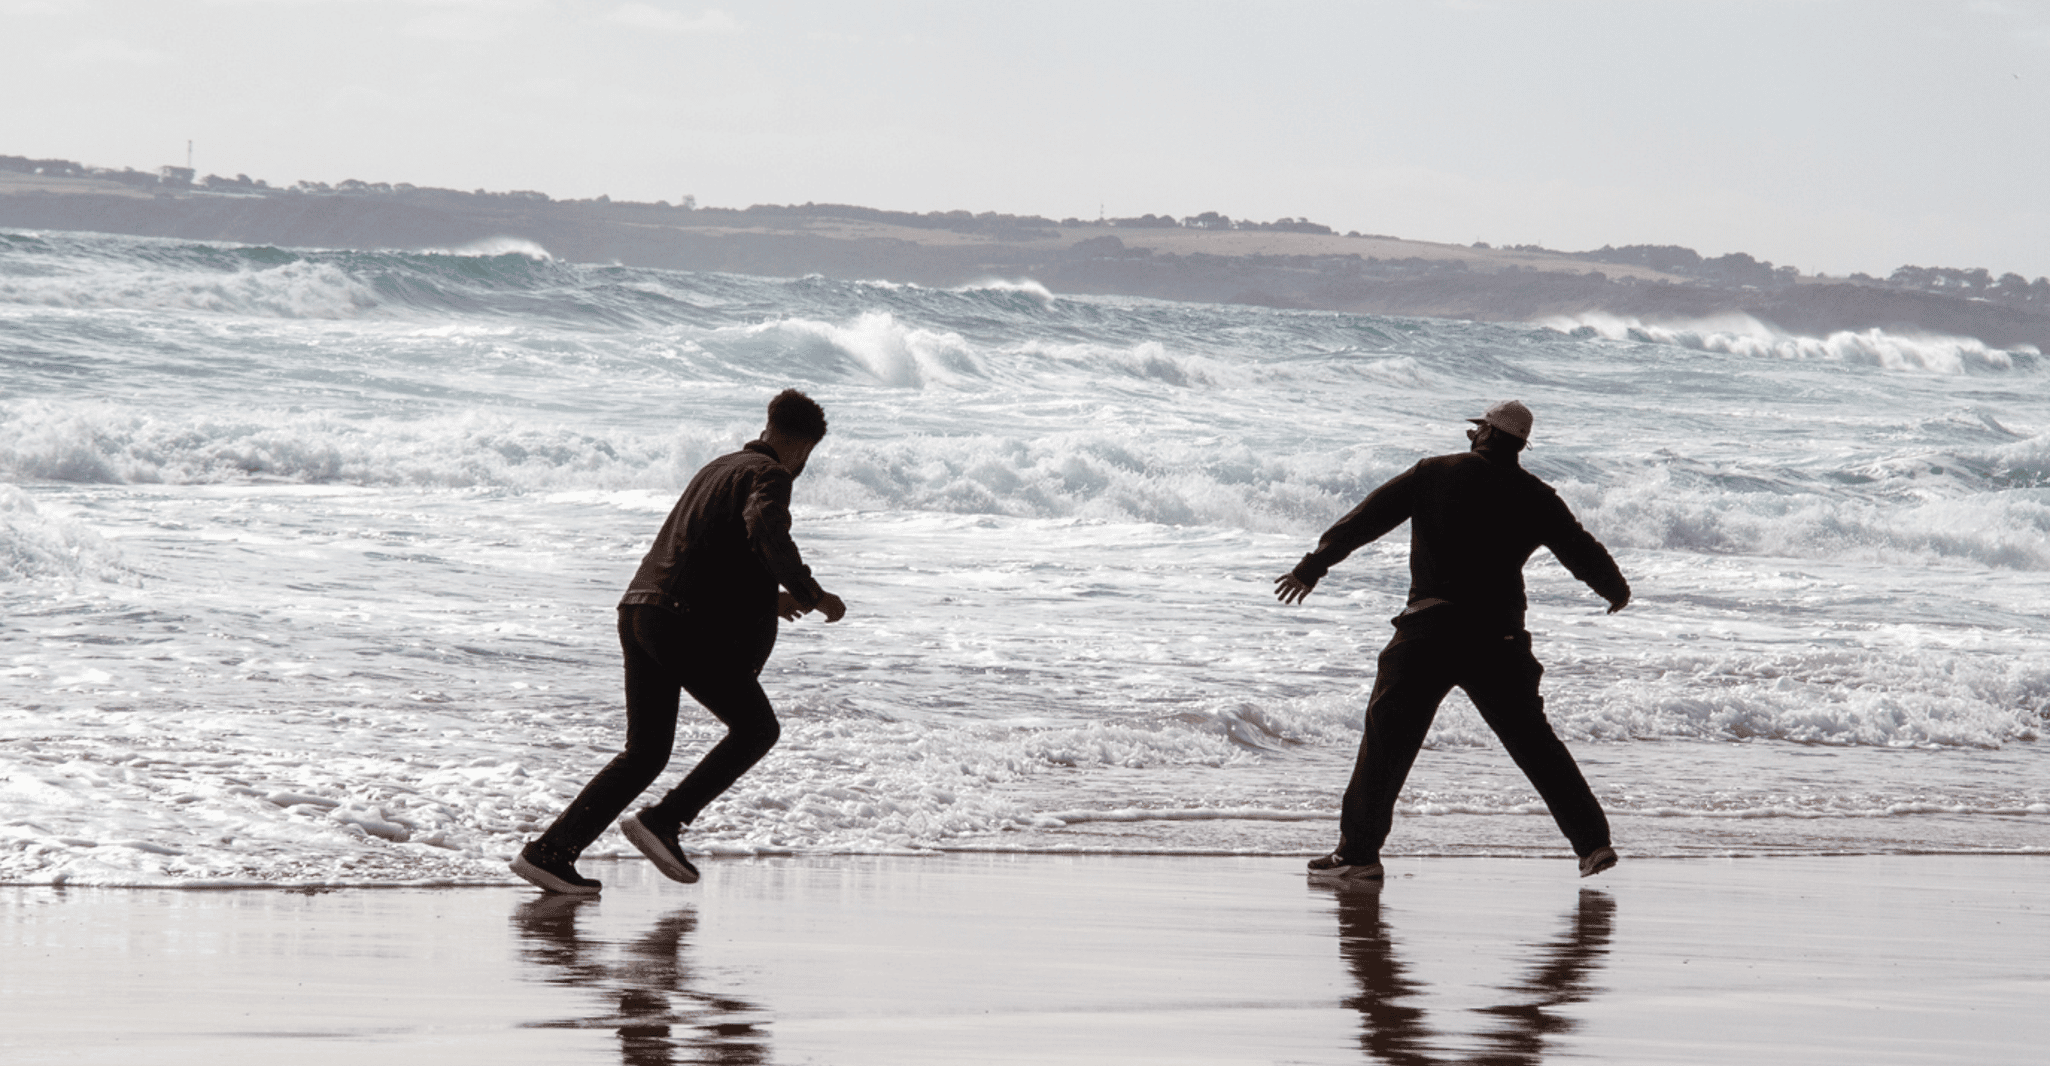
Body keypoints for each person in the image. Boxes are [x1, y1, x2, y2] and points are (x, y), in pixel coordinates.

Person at [1274, 400, 1629, 883]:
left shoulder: (1433, 473)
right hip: (1500, 639)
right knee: (1534, 743)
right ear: (1519, 444)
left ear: (1484, 434)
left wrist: (1311, 567)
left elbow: (1365, 520)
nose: (1471, 436)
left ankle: (1358, 854)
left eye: (1475, 430)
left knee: (1387, 741)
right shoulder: (1537, 495)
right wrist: (1614, 590)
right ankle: (1593, 844)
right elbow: (1581, 549)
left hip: (1430, 631)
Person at [513, 389, 848, 895]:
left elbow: (713, 553)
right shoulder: (770, 475)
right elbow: (765, 530)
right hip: (680, 619)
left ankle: (550, 852)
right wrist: (811, 593)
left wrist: (771, 600)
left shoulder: (719, 467)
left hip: (641, 610)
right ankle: (664, 821)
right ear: (802, 447)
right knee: (757, 729)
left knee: (645, 753)